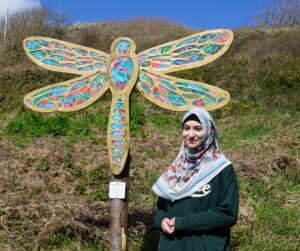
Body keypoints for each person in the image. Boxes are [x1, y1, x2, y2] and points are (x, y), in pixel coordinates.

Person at [152, 108, 239, 251]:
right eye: (187, 128)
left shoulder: (222, 169)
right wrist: (161, 221)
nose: (191, 134)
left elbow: (227, 214)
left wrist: (182, 223)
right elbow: (162, 207)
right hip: (173, 245)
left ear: (209, 131)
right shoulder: (176, 169)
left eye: (198, 129)